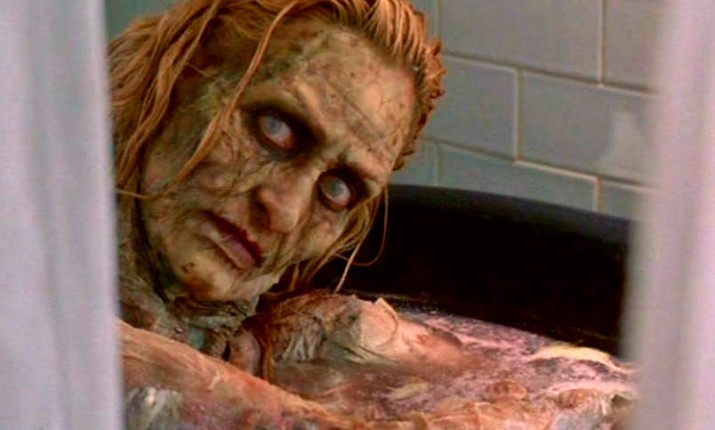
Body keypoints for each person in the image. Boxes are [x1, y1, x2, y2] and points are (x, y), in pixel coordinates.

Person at [111, 0, 453, 427]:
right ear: (180, 72)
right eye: (276, 129)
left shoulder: (304, 338)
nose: (285, 212)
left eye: (337, 189)